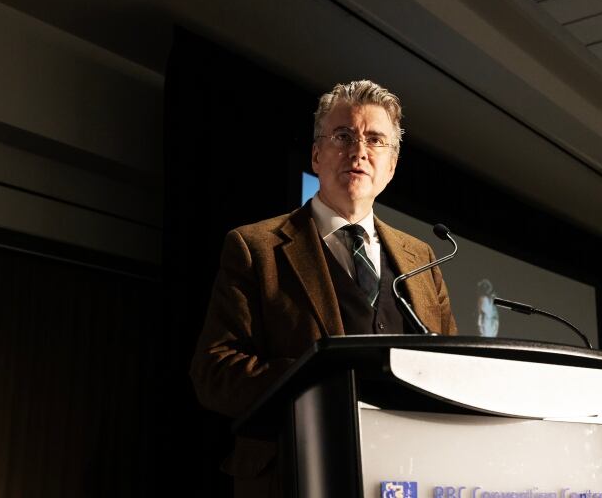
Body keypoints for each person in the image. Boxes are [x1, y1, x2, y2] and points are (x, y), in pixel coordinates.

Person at [190, 79, 458, 496]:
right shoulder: (254, 247)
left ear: (391, 166)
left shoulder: (423, 258)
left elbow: (454, 372)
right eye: (343, 136)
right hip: (298, 474)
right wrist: (317, 380)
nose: (359, 151)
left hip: (412, 477)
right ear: (317, 155)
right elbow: (214, 373)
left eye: (375, 140)